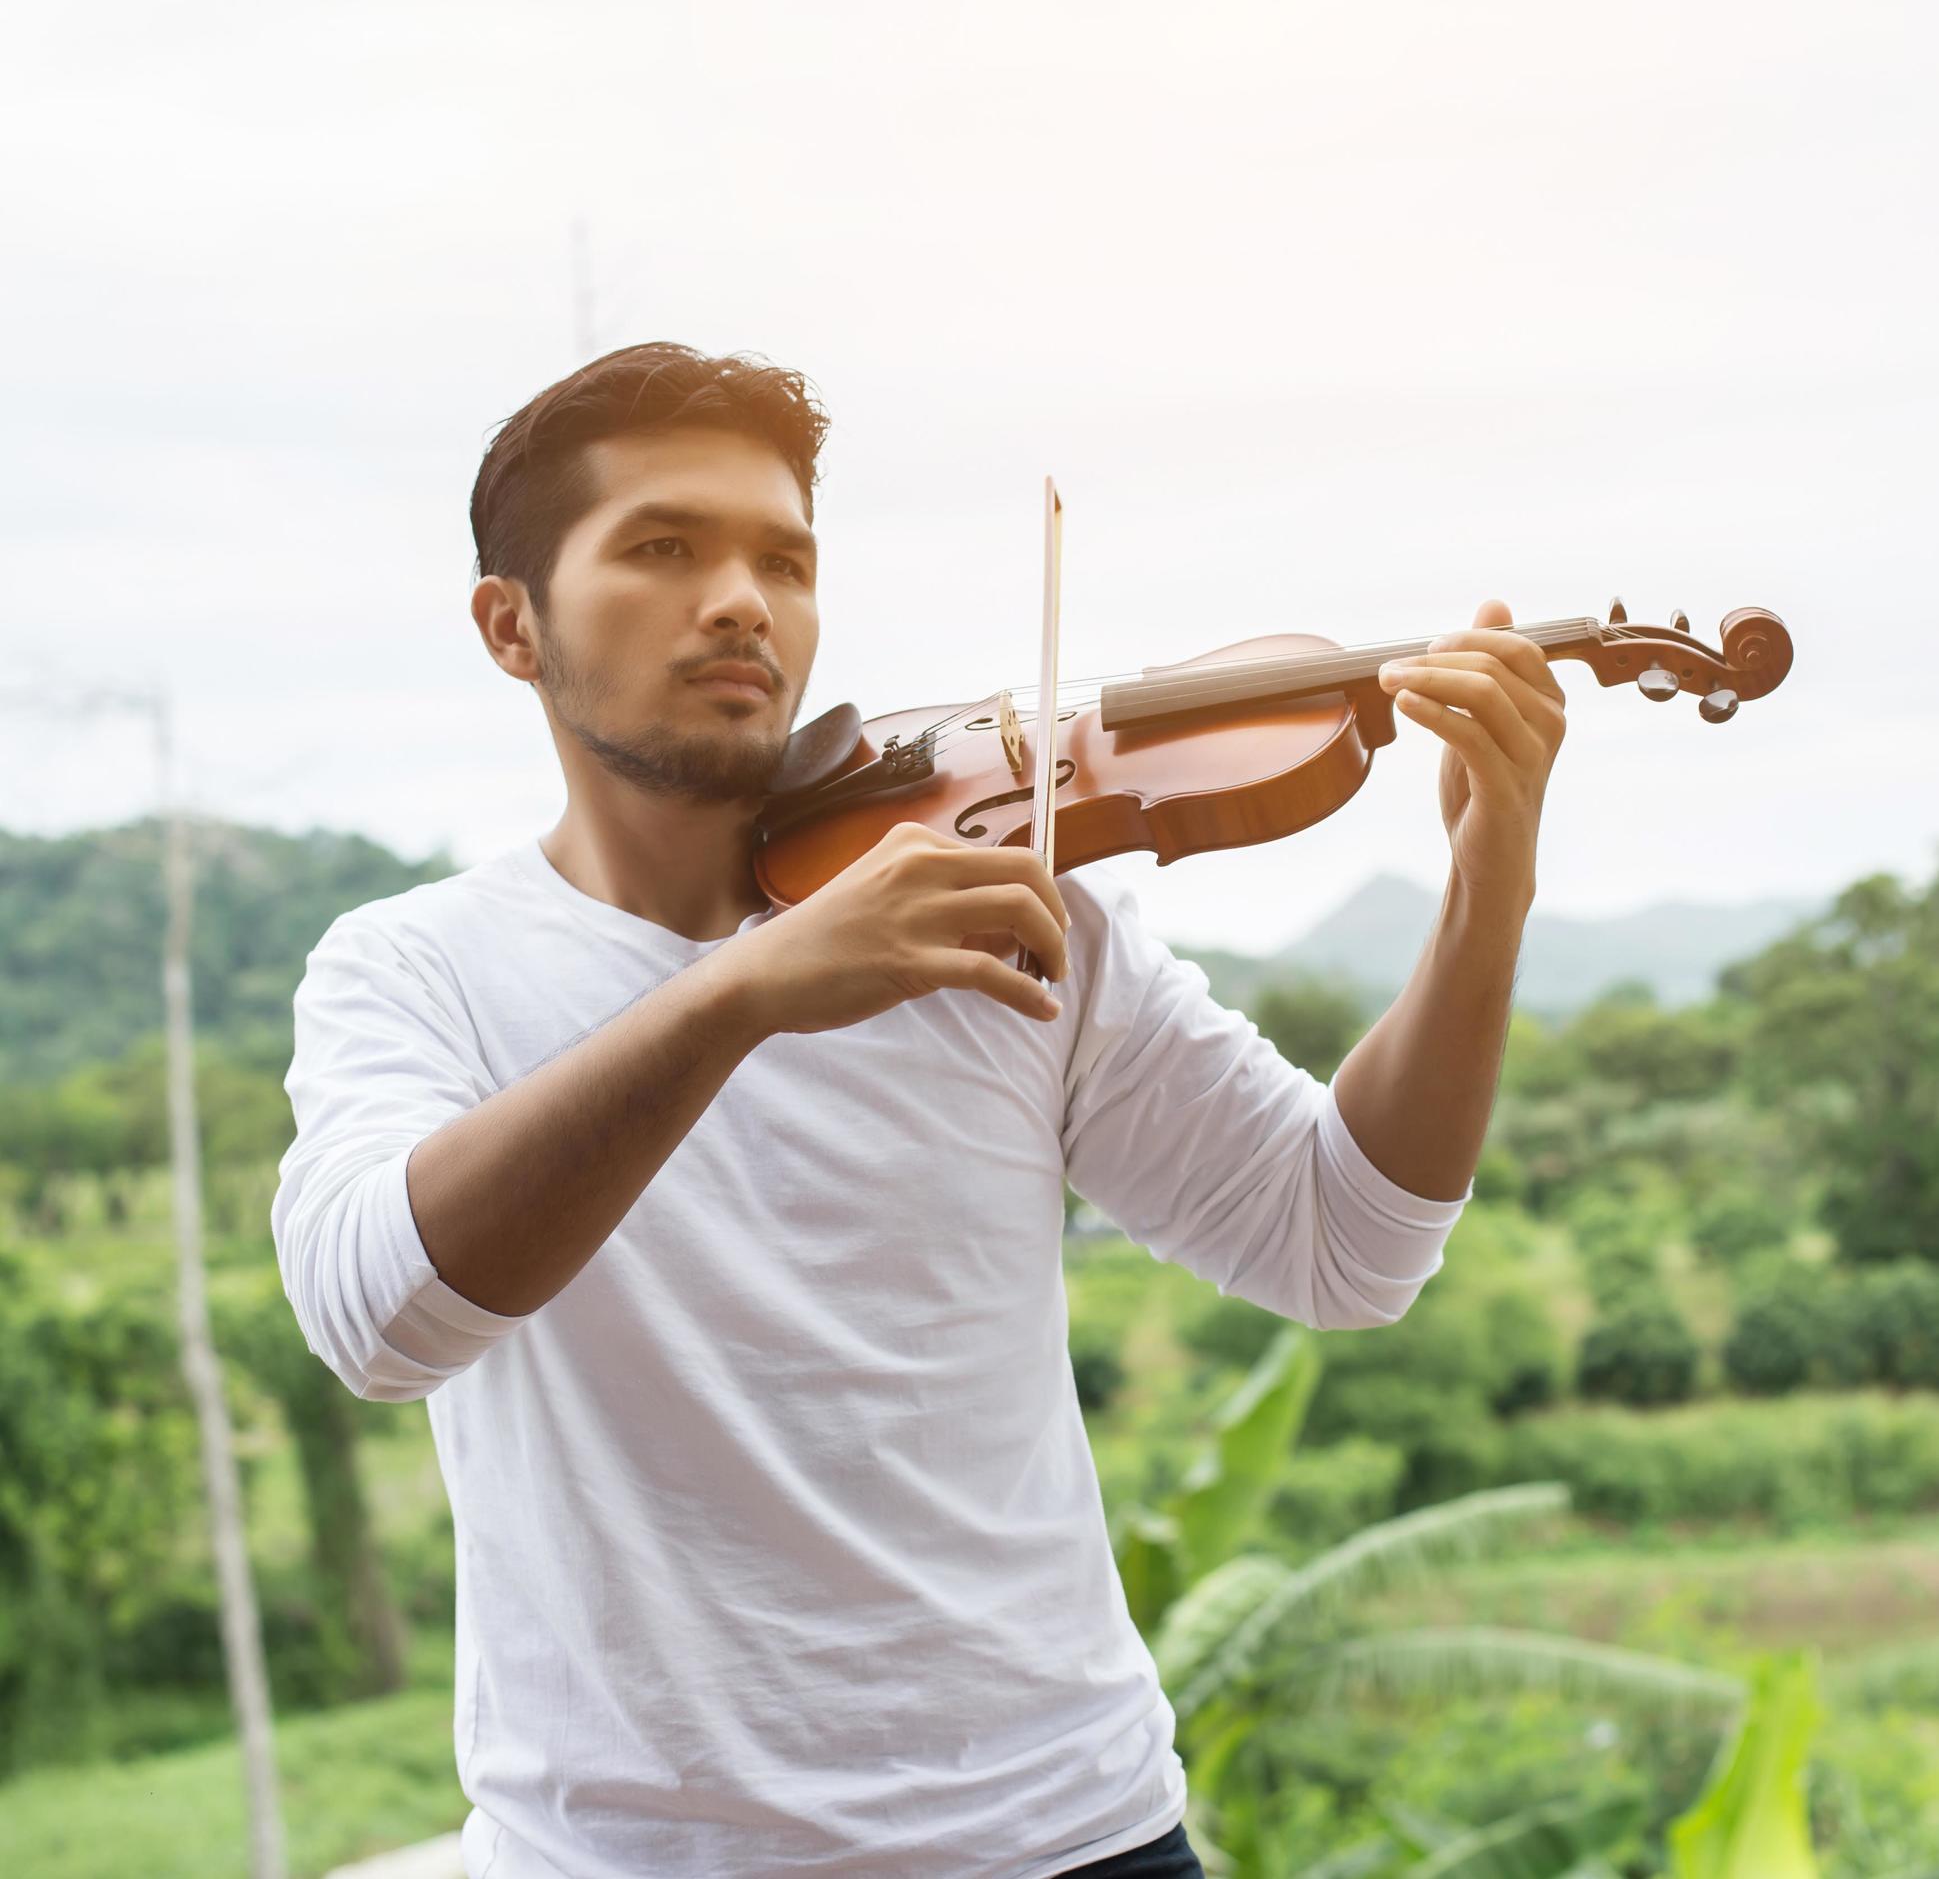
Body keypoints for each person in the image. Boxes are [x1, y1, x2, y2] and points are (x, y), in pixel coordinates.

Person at [271, 342, 1567, 1879]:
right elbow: (379, 1319)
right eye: (664, 549)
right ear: (512, 625)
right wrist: (746, 990)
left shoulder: (1010, 906)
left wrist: (1488, 893)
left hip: (1070, 1835)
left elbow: (1344, 1244)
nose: (743, 599)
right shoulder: (414, 970)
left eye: (784, 559)